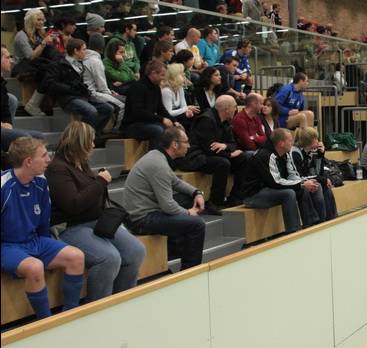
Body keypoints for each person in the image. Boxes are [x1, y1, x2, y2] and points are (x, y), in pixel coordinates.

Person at [46, 122, 145, 301]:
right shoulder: (57, 168)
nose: (93, 145)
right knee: (109, 258)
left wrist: (98, 183)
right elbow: (74, 205)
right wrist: (100, 182)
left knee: (136, 250)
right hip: (70, 227)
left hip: (94, 221)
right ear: (80, 142)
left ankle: (121, 301)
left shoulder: (81, 163)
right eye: (90, 141)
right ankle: (99, 307)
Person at [1, 137, 85, 320]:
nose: (49, 160)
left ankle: (71, 315)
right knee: (35, 267)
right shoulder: (3, 185)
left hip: (34, 241)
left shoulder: (41, 182)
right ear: (28, 162)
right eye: (44, 155)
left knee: (76, 257)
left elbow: (43, 221)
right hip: (7, 246)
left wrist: (46, 251)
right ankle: (46, 322)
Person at [123, 127, 208, 270]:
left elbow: (176, 182)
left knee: (187, 199)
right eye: (186, 142)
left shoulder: (157, 156)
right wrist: (189, 213)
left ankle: (173, 251)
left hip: (147, 211)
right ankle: (190, 271)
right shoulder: (159, 165)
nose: (188, 146)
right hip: (142, 219)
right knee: (197, 224)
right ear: (174, 144)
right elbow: (168, 206)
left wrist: (196, 193)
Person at [175, 95, 248, 208]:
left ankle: (236, 197)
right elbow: (209, 148)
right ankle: (215, 202)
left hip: (214, 154)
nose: (236, 109)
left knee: (242, 158)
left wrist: (225, 145)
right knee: (222, 163)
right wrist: (229, 153)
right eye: (234, 106)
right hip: (196, 157)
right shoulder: (206, 120)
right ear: (227, 109)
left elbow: (233, 144)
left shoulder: (226, 122)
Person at [248, 128, 320, 228]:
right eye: (290, 140)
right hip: (254, 194)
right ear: (281, 143)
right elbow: (276, 182)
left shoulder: (285, 154)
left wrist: (304, 182)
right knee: (289, 193)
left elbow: (292, 175)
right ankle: (293, 230)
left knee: (303, 189)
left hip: (270, 189)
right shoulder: (266, 155)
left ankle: (310, 225)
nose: (292, 143)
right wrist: (301, 184)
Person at [42, 38, 115, 137]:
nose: (86, 52)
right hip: (67, 98)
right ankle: (80, 137)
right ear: (76, 51)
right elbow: (50, 83)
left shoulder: (80, 63)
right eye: (84, 49)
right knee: (91, 111)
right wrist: (70, 89)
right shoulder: (58, 63)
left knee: (108, 108)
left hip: (81, 95)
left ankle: (93, 135)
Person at [121, 60, 175, 149]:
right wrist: (162, 119)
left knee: (172, 130)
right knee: (158, 130)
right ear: (153, 73)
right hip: (132, 125)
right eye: (162, 75)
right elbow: (138, 112)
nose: (163, 78)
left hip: (147, 123)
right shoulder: (137, 87)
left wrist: (174, 121)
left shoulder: (156, 88)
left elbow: (160, 109)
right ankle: (154, 156)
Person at [1, 46, 46, 152]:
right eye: (7, 57)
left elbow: (6, 110)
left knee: (39, 136)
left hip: (3, 128)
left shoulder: (2, 83)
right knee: (26, 139)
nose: (11, 61)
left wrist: (8, 123)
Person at [13, 9, 56, 117]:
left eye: (42, 20)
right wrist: (44, 43)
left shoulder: (39, 33)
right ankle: (33, 104)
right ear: (31, 20)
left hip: (37, 63)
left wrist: (53, 43)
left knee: (56, 68)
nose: (41, 22)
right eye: (38, 20)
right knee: (49, 71)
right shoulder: (21, 35)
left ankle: (45, 104)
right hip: (23, 65)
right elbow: (30, 56)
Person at [291, 127, 337, 222]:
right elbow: (299, 177)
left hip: (303, 180)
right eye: (315, 138)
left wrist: (321, 155)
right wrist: (322, 179)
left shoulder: (309, 152)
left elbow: (317, 173)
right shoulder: (295, 153)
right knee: (318, 185)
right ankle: (321, 221)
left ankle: (331, 219)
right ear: (309, 141)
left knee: (325, 185)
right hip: (295, 182)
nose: (318, 141)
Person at [162, 63, 200, 128]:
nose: (184, 75)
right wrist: (186, 108)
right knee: (184, 119)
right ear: (175, 76)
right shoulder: (166, 91)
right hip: (168, 117)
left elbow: (183, 105)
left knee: (195, 115)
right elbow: (169, 113)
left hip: (178, 114)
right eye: (182, 73)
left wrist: (188, 111)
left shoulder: (179, 87)